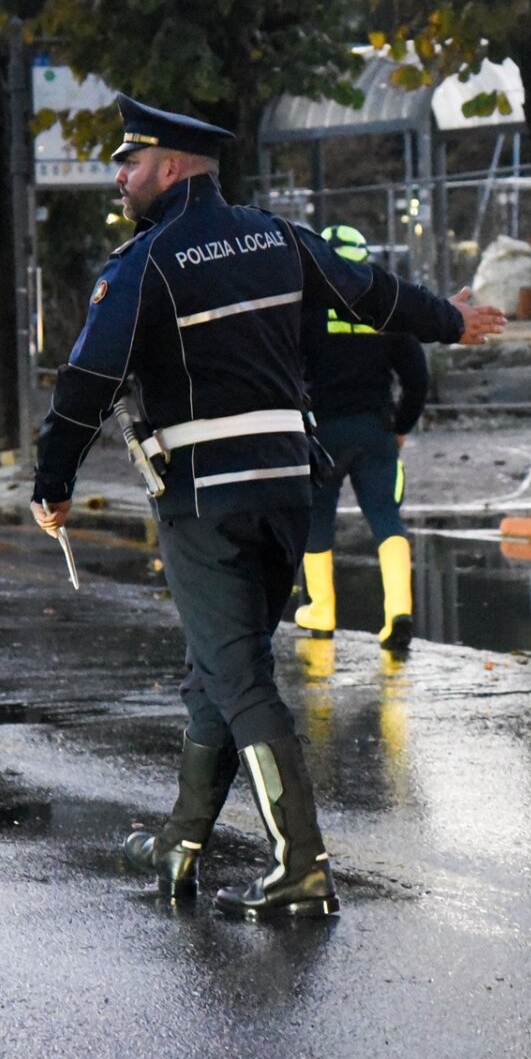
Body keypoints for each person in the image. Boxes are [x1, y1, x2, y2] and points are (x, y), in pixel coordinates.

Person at [30, 95, 505, 920]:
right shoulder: (280, 238)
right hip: (289, 489)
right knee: (219, 664)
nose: (119, 176)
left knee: (239, 673)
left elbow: (84, 387)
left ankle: (303, 866)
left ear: (174, 168)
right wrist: (452, 321)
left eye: (131, 163)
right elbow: (376, 296)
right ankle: (181, 842)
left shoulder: (145, 265)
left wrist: (51, 482)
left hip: (206, 501)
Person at [293, 224, 430, 652]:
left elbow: (286, 370)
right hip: (376, 430)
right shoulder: (384, 307)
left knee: (317, 518)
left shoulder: (307, 310)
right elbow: (417, 376)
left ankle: (322, 610)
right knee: (387, 518)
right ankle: (398, 613)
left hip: (322, 432)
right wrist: (402, 425)